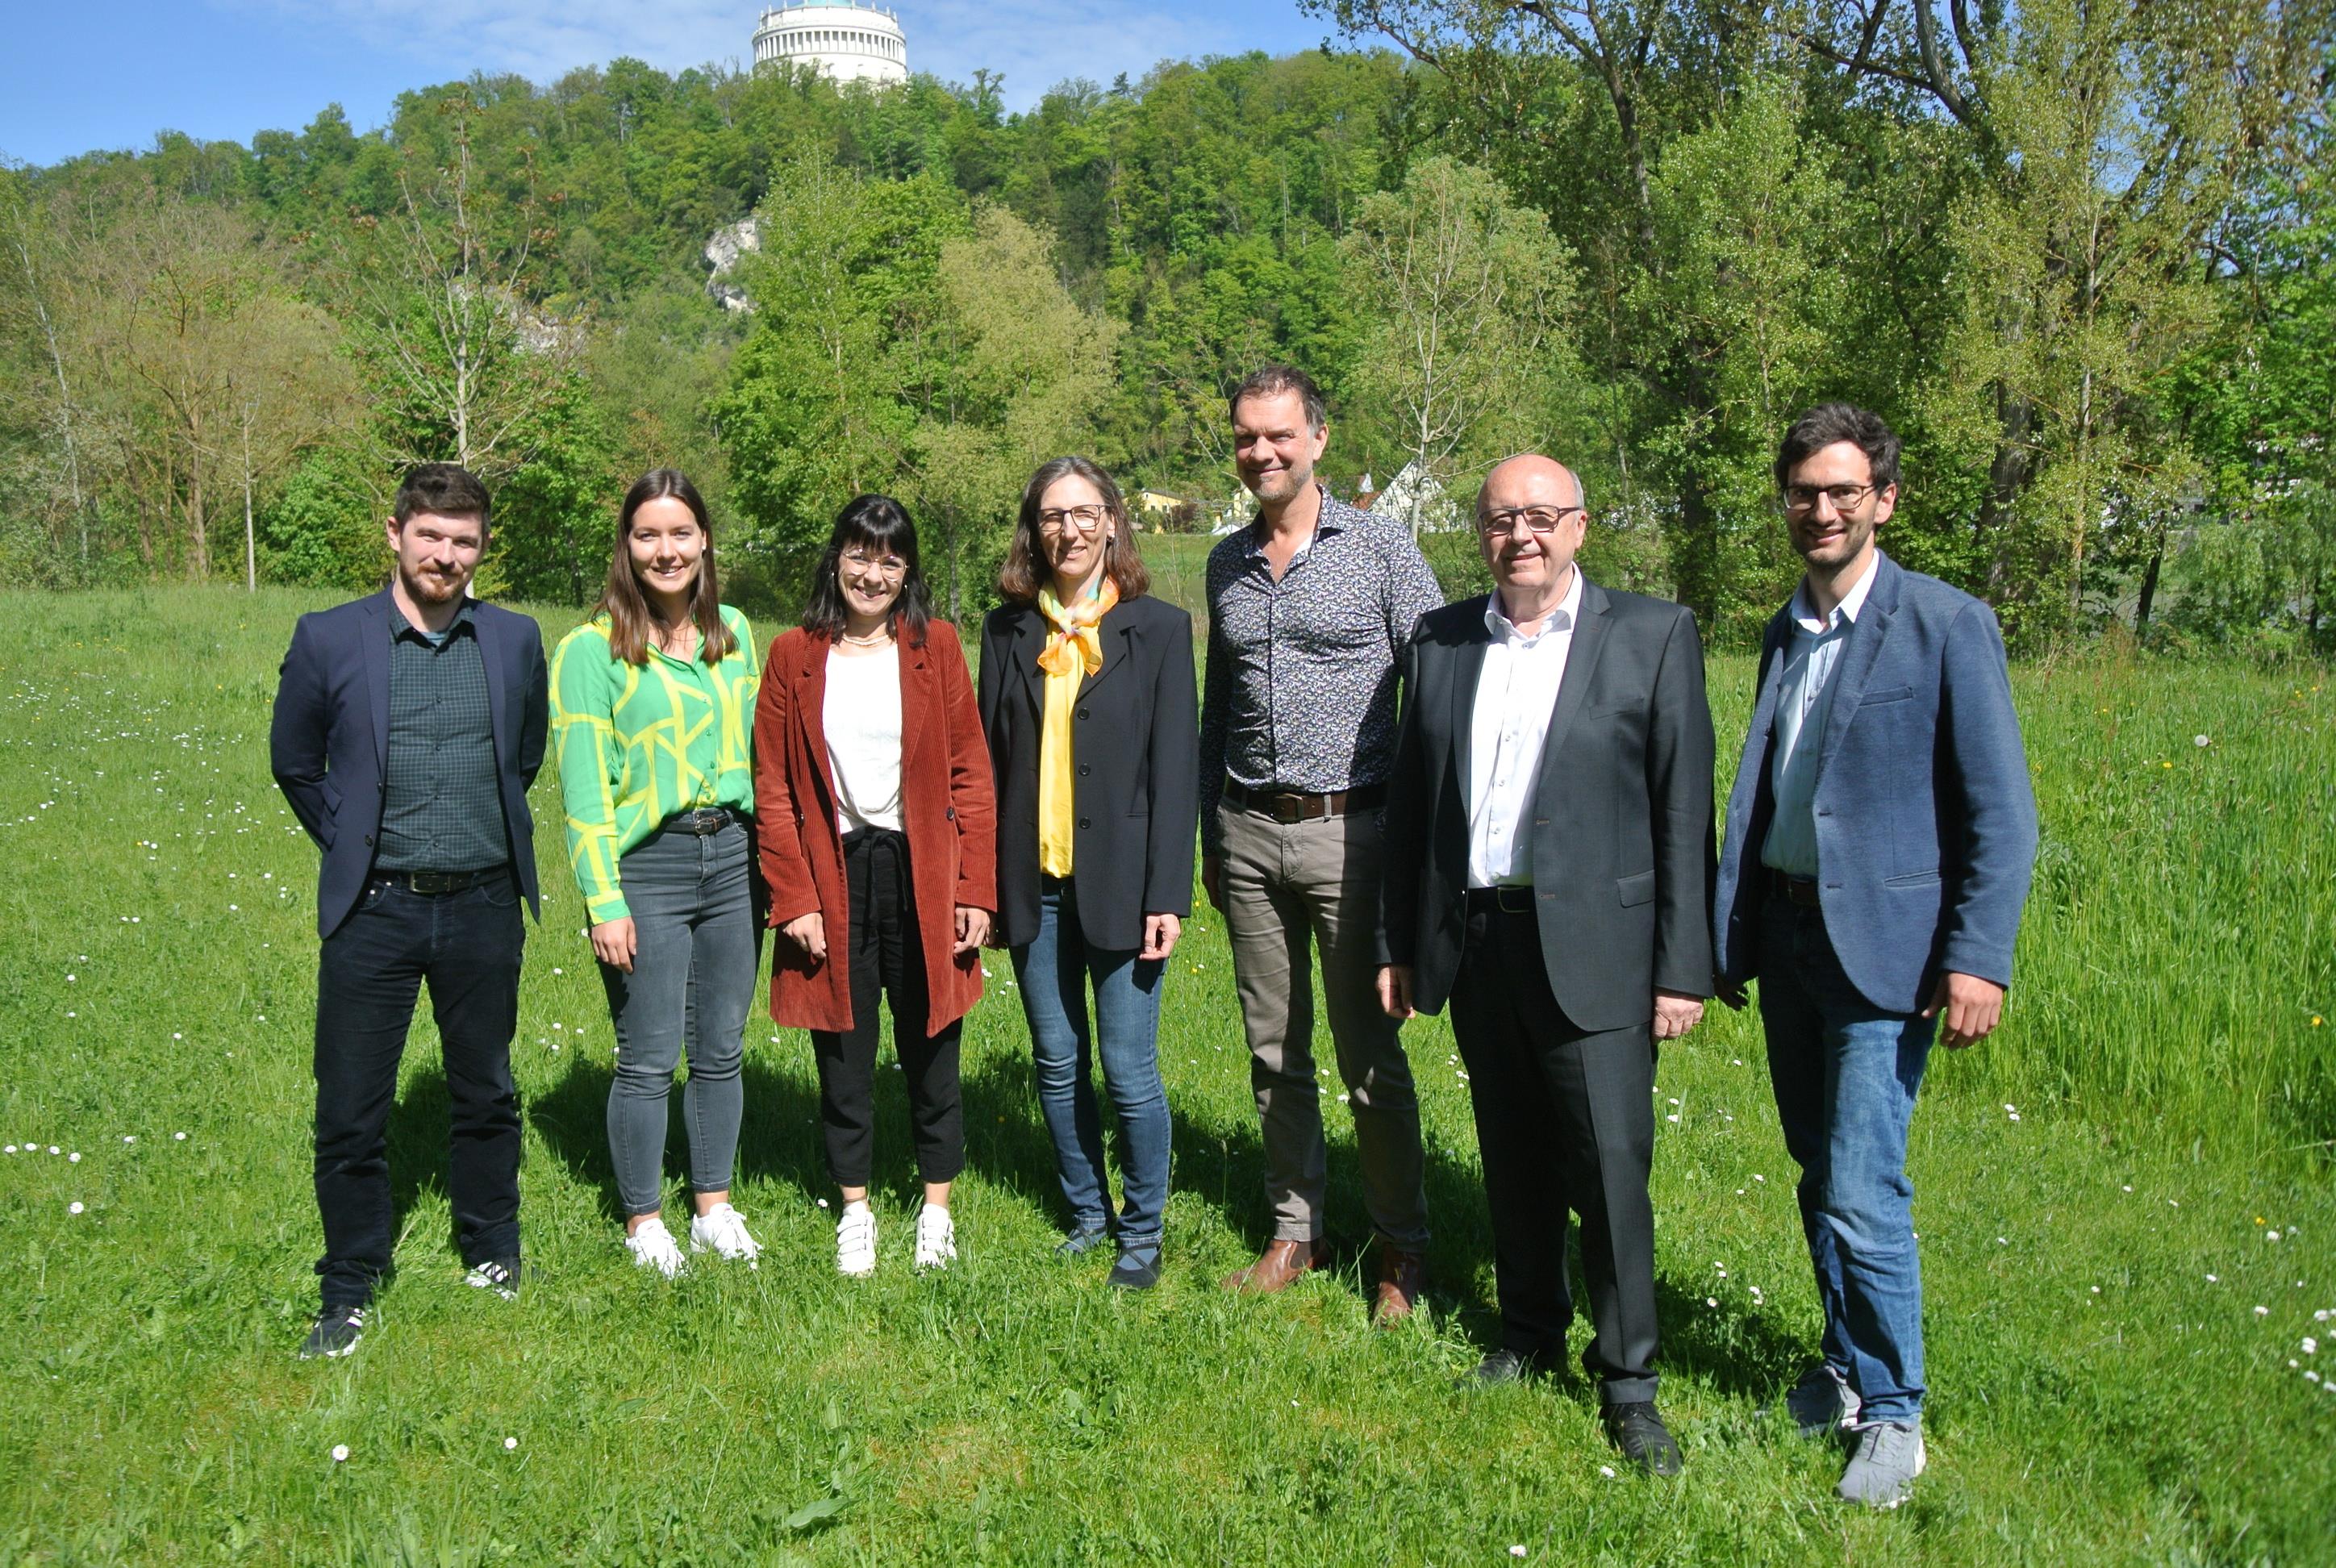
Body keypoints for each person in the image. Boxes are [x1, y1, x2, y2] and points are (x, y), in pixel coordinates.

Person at [1712, 403, 2038, 1508]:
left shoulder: (1946, 625)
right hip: (1791, 930)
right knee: (1818, 1175)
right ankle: (1845, 1370)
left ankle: (1897, 1415)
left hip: (1887, 951)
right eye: (1805, 492)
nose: (1823, 510)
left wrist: (1978, 957)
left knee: (1862, 1184)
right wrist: (1731, 932)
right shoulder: (1782, 630)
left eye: (1845, 491)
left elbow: (2002, 813)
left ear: (1885, 500)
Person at [1378, 454, 1715, 1474]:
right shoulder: (1439, 642)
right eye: (1497, 519)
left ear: (1578, 525)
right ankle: (1527, 1333)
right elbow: (1413, 811)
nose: (1518, 534)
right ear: (1477, 534)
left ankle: (1629, 1381)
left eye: (1538, 516)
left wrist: (1681, 969)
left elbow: (1682, 809)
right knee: (1512, 1153)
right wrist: (1401, 943)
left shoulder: (1653, 635)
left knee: (1610, 1170)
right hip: (1480, 944)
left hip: (1602, 952)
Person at [269, 462, 547, 1359]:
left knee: (487, 1091)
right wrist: (352, 843)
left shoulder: (512, 641)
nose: (447, 555)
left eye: (464, 541)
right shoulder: (330, 638)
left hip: (482, 905)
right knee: (351, 1107)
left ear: (483, 549)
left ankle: (491, 1252)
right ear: (395, 534)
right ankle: (348, 1285)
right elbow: (295, 762)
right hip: (374, 910)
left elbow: (526, 755)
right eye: (431, 536)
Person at [1199, 363, 1445, 1321]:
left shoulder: (1381, 551)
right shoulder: (1225, 560)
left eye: (1279, 436)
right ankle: (1296, 1231)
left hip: (1357, 833)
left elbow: (1435, 691)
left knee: (1370, 1058)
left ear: (1318, 440)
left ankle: (1402, 1245)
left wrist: (1425, 846)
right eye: (1246, 437)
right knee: (1273, 1051)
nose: (1262, 452)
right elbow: (1217, 706)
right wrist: (1209, 836)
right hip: (1249, 829)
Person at [753, 495, 996, 1277]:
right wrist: (793, 899)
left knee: (934, 1049)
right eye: (860, 555)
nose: (873, 573)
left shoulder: (938, 647)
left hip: (923, 868)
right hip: (834, 871)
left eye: (890, 560)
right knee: (844, 1055)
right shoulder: (793, 654)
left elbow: (971, 773)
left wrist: (976, 891)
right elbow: (774, 789)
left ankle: (935, 1209)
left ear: (907, 572)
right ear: (836, 559)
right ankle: (854, 1210)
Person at [978, 457, 1199, 1291]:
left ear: (1111, 521)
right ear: (1032, 530)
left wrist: (1167, 894)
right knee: (1056, 1058)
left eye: (1082, 513)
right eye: (1049, 516)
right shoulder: (1007, 635)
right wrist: (985, 889)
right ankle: (1085, 1212)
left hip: (1124, 885)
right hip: (1032, 884)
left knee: (1129, 1070)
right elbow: (987, 771)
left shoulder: (1160, 631)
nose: (1066, 530)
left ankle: (1141, 1233)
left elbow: (1176, 776)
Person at [550, 469, 764, 1278]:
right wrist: (604, 900)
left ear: (704, 539)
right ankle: (644, 1219)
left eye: (681, 533)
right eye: (648, 535)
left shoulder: (736, 633)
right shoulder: (590, 648)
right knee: (647, 1054)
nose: (666, 550)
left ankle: (712, 1202)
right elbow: (582, 788)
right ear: (626, 545)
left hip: (734, 860)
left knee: (720, 1046)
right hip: (649, 866)